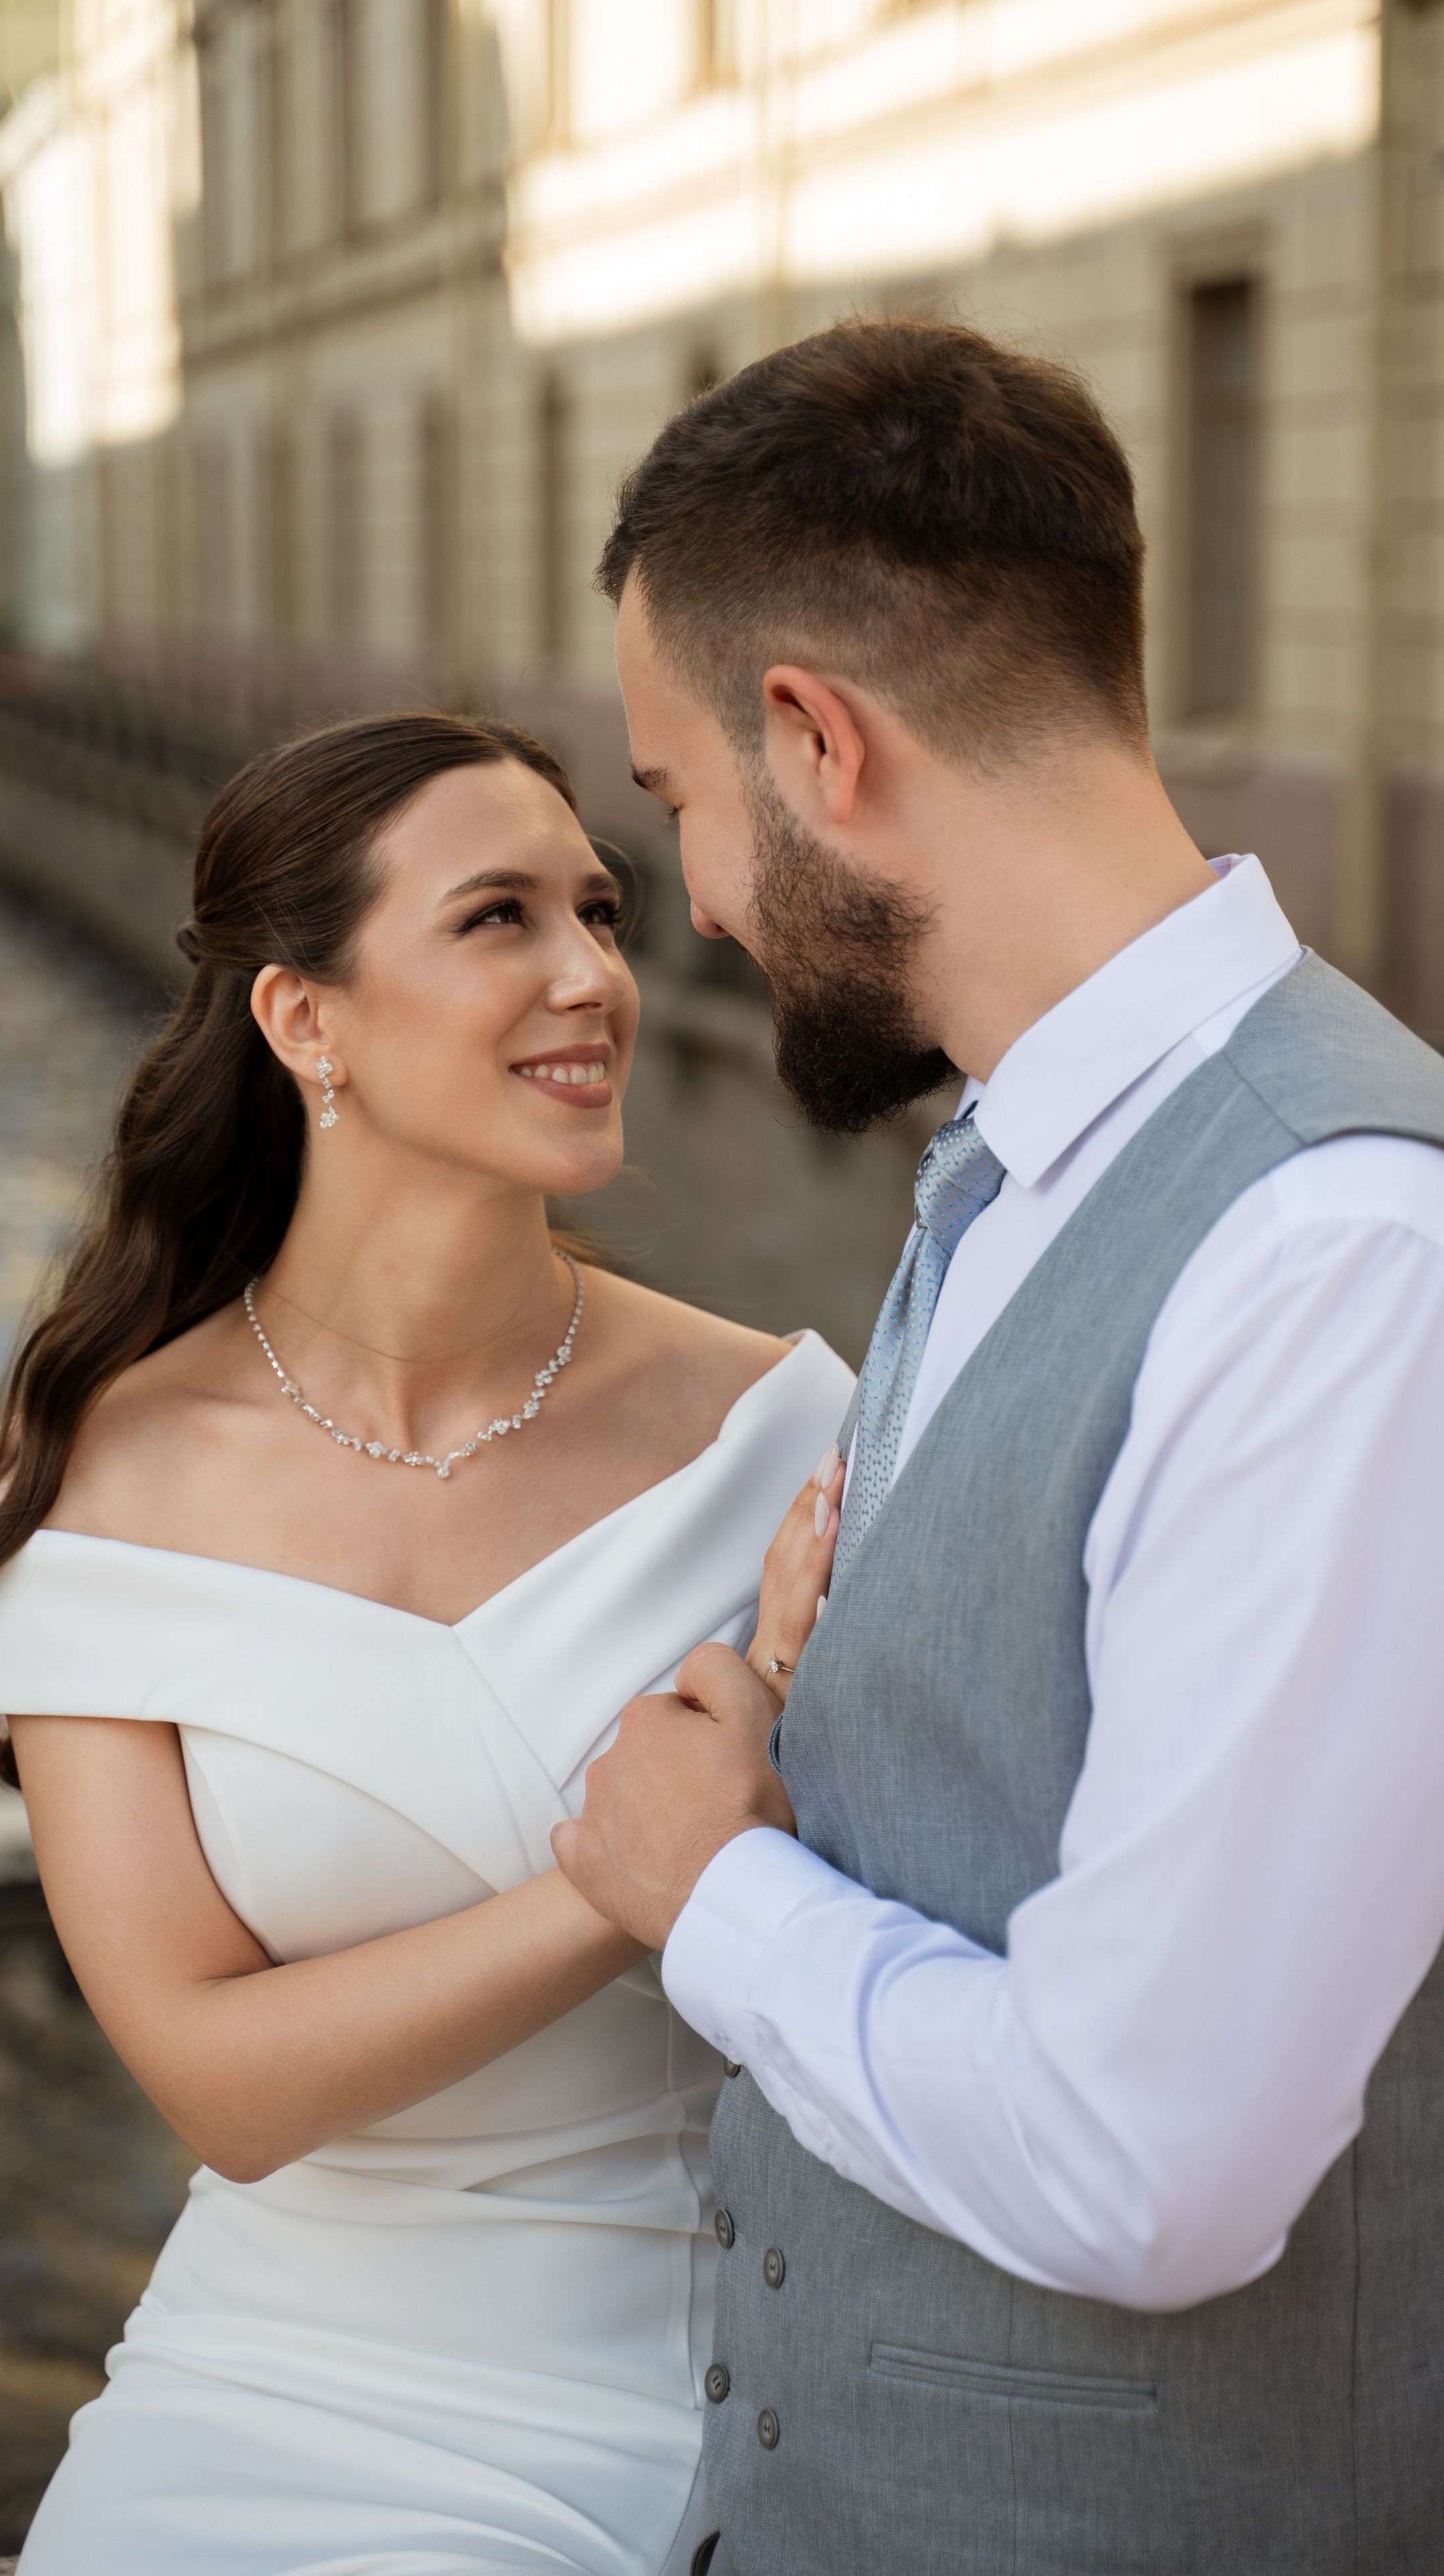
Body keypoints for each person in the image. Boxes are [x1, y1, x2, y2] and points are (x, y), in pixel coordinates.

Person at [553, 318, 1444, 2574]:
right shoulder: (1016, 1170)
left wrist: (708, 1882)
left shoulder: (1339, 1252)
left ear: (815, 744)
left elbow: (1149, 2163)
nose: (704, 912)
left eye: (670, 808)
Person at [0, 711, 854, 2576]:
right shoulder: (87, 1482)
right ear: (305, 1019)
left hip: (704, 2391)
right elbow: (224, 2086)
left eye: (601, 909)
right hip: (259, 2394)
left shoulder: (784, 1438)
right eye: (498, 919)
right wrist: (633, 1870)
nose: (592, 979)